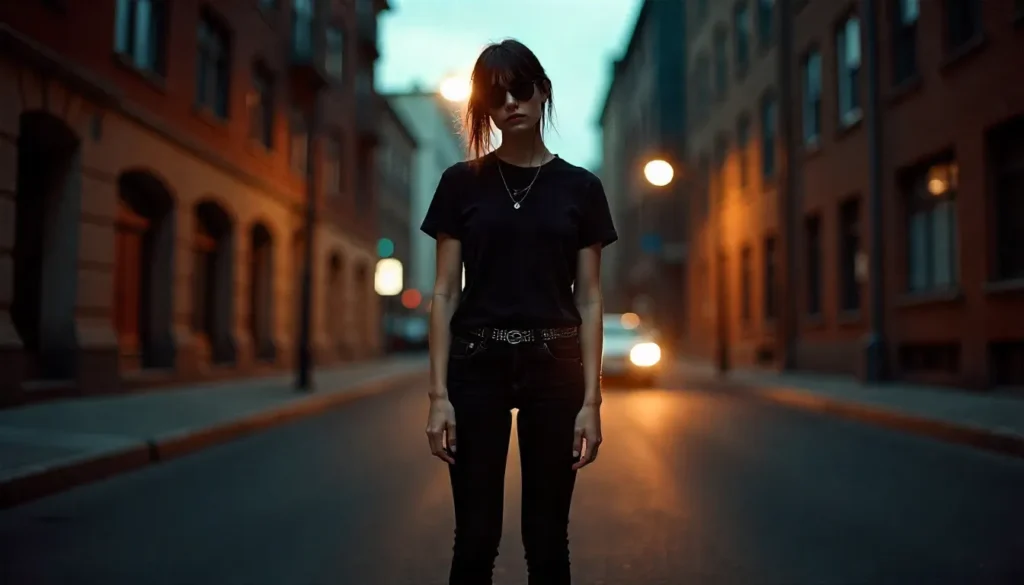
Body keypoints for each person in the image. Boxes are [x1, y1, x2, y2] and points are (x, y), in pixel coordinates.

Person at [420, 39, 618, 585]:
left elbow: (590, 298)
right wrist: (438, 397)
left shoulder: (581, 187)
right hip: (476, 364)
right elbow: (443, 292)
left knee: (548, 537)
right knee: (476, 538)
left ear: (543, 91)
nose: (511, 102)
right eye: (496, 94)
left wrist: (592, 402)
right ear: (485, 107)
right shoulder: (461, 183)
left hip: (555, 368)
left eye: (522, 88)